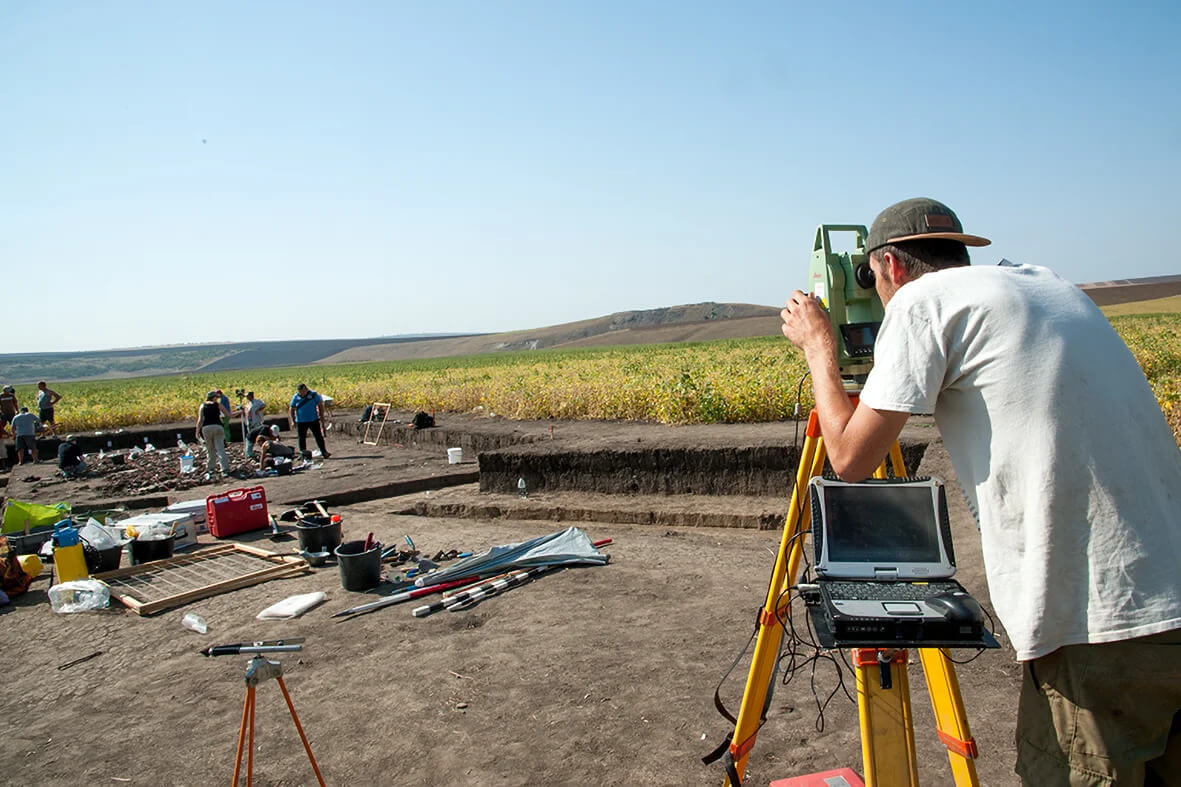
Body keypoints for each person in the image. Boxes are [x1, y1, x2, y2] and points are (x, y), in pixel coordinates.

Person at [779, 197, 1181, 784]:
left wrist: (819, 345)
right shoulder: (1048, 285)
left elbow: (849, 458)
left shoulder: (921, 301)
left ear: (888, 265)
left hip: (1103, 622)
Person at [288, 383, 331, 459]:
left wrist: (321, 415)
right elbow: (292, 408)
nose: (302, 393)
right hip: (301, 421)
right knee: (301, 438)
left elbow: (320, 405)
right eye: (300, 392)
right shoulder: (295, 397)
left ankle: (324, 451)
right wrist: (293, 420)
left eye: (303, 391)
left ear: (306, 390)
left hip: (313, 420)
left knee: (318, 436)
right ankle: (303, 454)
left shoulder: (313, 395)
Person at [195, 390, 231, 476]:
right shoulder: (218, 405)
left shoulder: (203, 406)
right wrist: (240, 412)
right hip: (218, 427)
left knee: (210, 449)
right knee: (220, 449)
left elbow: (200, 420)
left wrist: (197, 431)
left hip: (206, 428)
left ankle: (211, 468)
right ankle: (224, 469)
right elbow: (229, 415)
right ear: (214, 398)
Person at [238, 391, 266, 457]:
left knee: (259, 435)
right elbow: (246, 411)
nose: (247, 397)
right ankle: (250, 451)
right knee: (250, 436)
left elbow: (264, 405)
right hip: (250, 422)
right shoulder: (248, 404)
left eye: (248, 396)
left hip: (256, 421)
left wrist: (258, 410)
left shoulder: (257, 402)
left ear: (251, 396)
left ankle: (263, 448)